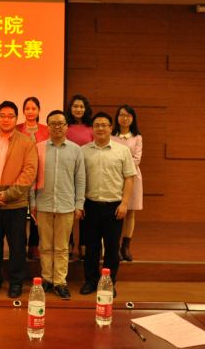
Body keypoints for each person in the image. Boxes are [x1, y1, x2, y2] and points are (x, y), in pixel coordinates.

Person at [0, 101, 37, 299]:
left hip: (15, 203)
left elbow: (29, 172)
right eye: (2, 115)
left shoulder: (26, 142)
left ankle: (16, 282)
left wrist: (8, 194)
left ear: (16, 118)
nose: (6, 119)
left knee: (17, 246)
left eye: (10, 116)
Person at [29, 110, 85, 300]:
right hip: (43, 204)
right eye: (53, 123)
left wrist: (79, 204)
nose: (57, 127)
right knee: (45, 246)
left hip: (66, 205)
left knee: (62, 247)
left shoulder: (75, 150)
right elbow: (32, 177)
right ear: (48, 126)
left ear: (66, 126)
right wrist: (32, 201)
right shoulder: (38, 148)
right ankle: (47, 279)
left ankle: (60, 282)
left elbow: (80, 179)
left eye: (60, 123)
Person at [80, 112, 137, 298]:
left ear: (111, 128)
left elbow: (129, 178)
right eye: (97, 125)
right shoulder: (83, 151)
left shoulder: (122, 151)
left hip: (114, 207)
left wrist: (124, 204)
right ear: (92, 128)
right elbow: (78, 180)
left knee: (112, 248)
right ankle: (90, 281)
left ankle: (108, 282)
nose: (100, 128)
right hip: (90, 206)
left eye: (104, 125)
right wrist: (79, 203)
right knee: (91, 247)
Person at [15, 97, 49, 260]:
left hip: (40, 174)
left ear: (39, 110)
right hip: (20, 175)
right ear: (23, 111)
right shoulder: (16, 129)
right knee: (20, 211)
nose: (30, 111)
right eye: (27, 108)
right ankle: (20, 244)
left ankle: (34, 245)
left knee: (37, 212)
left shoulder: (46, 130)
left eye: (33, 108)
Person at [111, 105, 143, 262]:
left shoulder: (137, 137)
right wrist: (117, 171)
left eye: (129, 116)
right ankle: (114, 247)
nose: (125, 118)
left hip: (132, 177)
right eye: (122, 115)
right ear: (117, 117)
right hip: (113, 177)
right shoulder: (111, 136)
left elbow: (137, 159)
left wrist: (124, 171)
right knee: (114, 212)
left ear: (133, 119)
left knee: (130, 212)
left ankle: (125, 247)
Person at [64, 94, 94, 259]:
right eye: (75, 106)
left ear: (86, 109)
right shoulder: (65, 127)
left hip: (87, 174)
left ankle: (83, 243)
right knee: (69, 211)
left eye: (81, 106)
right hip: (68, 174)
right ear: (70, 108)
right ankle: (68, 243)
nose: (78, 109)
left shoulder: (91, 128)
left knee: (84, 211)